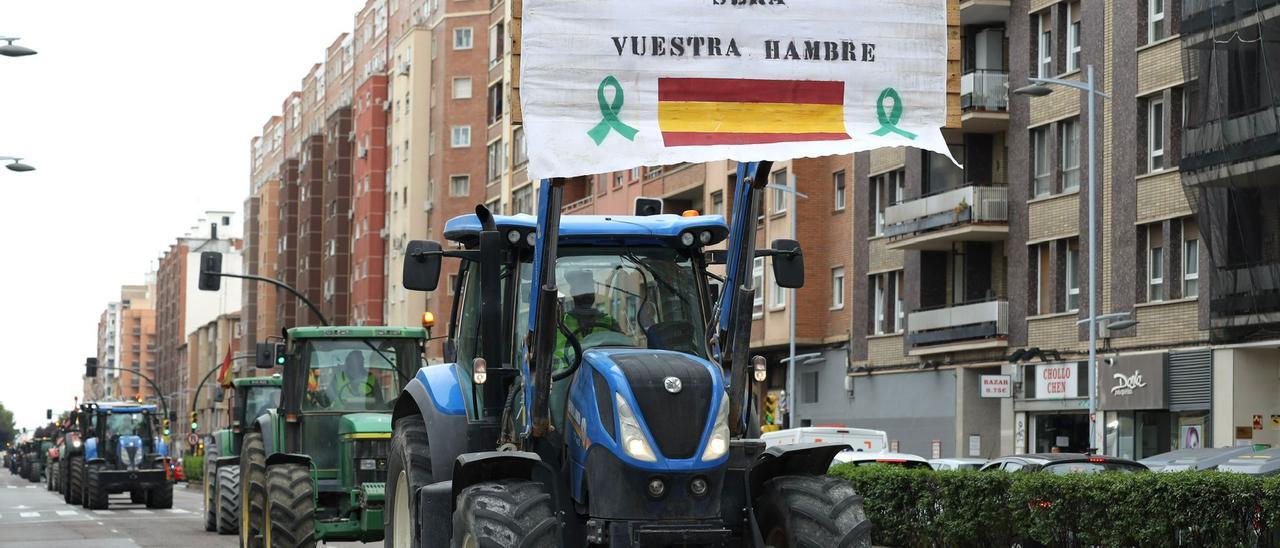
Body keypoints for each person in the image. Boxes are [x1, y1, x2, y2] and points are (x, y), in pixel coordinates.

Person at [554, 269, 620, 369]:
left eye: (589, 289)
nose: (586, 294)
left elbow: (624, 348)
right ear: (573, 292)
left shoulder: (610, 322)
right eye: (582, 289)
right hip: (566, 379)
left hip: (601, 375)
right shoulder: (559, 323)